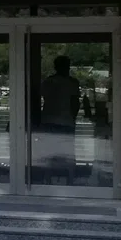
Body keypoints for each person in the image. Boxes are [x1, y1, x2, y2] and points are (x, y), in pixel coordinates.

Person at [39, 54, 82, 183]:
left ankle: (47, 178)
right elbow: (75, 102)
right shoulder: (72, 83)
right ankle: (70, 178)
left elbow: (42, 98)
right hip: (66, 121)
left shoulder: (48, 82)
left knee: (48, 151)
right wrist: (72, 117)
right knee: (68, 151)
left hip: (48, 120)